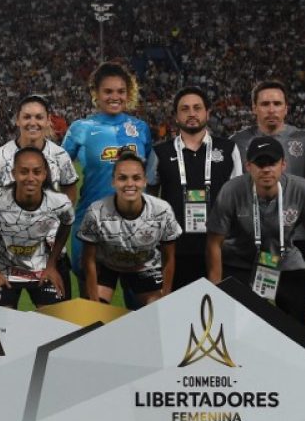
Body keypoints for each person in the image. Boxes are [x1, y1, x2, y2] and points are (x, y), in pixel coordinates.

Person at [206, 136, 305, 328]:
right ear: (248, 166)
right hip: (241, 263)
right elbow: (214, 242)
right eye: (260, 163)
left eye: (272, 163)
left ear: (283, 164)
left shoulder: (302, 189)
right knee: (236, 327)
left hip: (285, 261)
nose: (266, 169)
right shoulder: (232, 190)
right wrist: (215, 287)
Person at [62, 62, 155, 298]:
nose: (115, 97)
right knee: (91, 303)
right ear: (96, 94)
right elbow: (56, 168)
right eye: (108, 91)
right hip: (90, 221)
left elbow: (151, 174)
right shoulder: (80, 128)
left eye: (121, 91)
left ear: (129, 93)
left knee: (138, 302)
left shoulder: (140, 128)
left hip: (134, 224)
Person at [0, 94, 80, 296]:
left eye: (38, 117)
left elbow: (70, 196)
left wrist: (47, 221)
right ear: (17, 120)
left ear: (47, 121)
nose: (32, 122)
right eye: (27, 117)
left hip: (51, 252)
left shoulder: (60, 155)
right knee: (2, 324)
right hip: (8, 254)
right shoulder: (0, 157)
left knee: (58, 322)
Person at [147, 87, 242, 290]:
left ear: (207, 113)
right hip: (174, 251)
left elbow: (238, 199)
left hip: (219, 250)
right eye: (185, 109)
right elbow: (150, 199)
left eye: (197, 108)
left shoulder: (228, 149)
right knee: (177, 312)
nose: (191, 113)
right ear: (176, 116)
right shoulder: (160, 153)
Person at [78, 150, 181, 306]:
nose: (130, 184)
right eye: (122, 178)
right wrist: (94, 304)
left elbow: (169, 258)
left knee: (156, 311)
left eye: (136, 178)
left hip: (144, 265)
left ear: (145, 181)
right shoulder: (96, 211)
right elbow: (88, 260)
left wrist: (165, 296)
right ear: (113, 181)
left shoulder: (162, 210)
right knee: (95, 309)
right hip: (107, 265)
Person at [0, 146, 74, 309]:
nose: (30, 178)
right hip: (5, 270)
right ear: (13, 174)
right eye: (24, 172)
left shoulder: (60, 202)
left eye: (37, 172)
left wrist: (52, 264)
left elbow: (67, 224)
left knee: (55, 324)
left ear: (45, 174)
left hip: (42, 269)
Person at [232, 80, 305, 180]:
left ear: (286, 108)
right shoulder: (238, 142)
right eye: (265, 104)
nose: (271, 110)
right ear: (254, 108)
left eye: (277, 104)